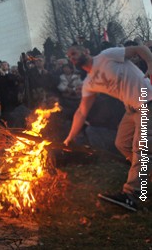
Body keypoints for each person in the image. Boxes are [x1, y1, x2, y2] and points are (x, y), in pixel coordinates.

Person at [64, 44, 152, 212]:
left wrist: (150, 63)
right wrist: (69, 138)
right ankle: (144, 176)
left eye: (74, 53)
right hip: (131, 109)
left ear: (86, 50)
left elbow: (140, 49)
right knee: (122, 143)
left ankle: (132, 195)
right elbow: (81, 112)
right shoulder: (89, 83)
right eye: (69, 56)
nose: (72, 57)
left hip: (147, 101)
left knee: (141, 148)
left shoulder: (107, 56)